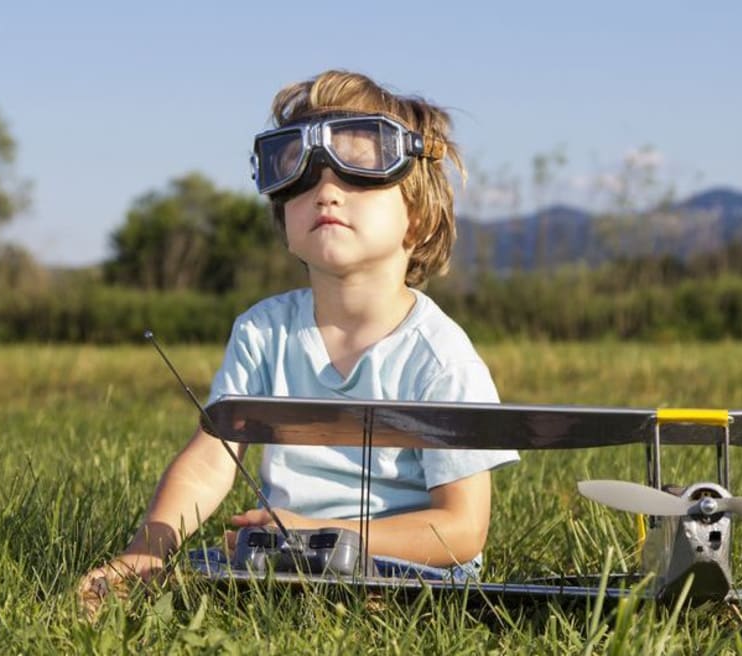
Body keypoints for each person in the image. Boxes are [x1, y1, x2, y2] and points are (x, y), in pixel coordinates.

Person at [78, 69, 519, 615]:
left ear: (419, 220)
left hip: (413, 564)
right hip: (289, 552)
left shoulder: (440, 356)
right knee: (208, 577)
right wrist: (146, 551)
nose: (326, 191)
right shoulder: (263, 332)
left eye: (357, 174)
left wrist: (319, 534)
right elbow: (210, 461)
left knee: (355, 582)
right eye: (302, 179)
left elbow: (461, 530)